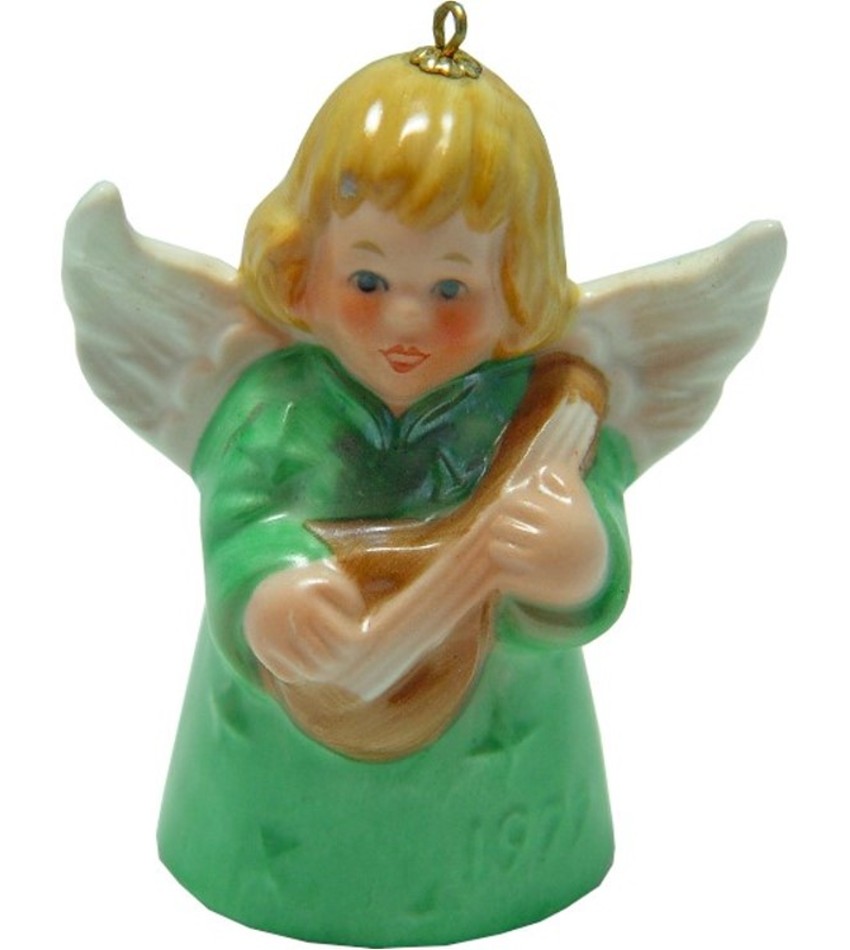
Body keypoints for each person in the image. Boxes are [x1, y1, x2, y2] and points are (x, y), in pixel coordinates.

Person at [156, 51, 634, 944]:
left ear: (514, 287)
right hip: (264, 800)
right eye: (369, 282)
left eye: (450, 288)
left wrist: (577, 558)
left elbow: (595, 528)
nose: (406, 321)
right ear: (306, 270)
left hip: (514, 801)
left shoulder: (533, 411)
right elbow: (240, 519)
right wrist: (269, 590)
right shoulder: (277, 407)